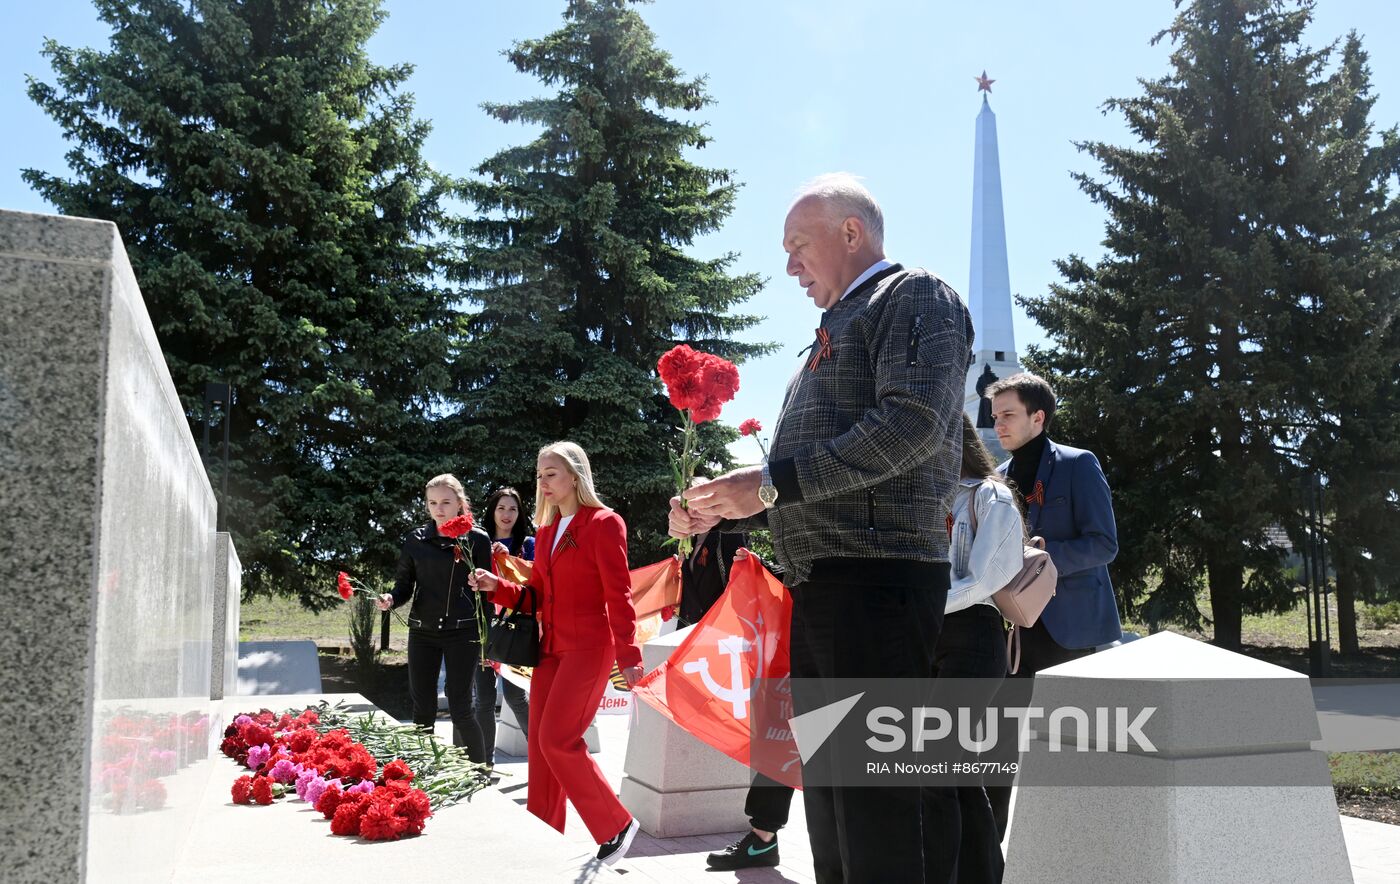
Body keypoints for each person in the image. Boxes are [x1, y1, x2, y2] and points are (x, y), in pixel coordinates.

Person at [670, 173, 973, 883]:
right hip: (828, 589)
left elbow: (912, 425)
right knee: (836, 807)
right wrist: (719, 507)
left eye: (798, 246)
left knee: (882, 809)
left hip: (879, 584)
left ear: (851, 233)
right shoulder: (834, 327)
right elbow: (804, 470)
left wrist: (770, 485)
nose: (789, 267)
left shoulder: (913, 295)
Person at [468, 442, 643, 866]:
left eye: (552, 474)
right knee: (541, 749)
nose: (543, 483)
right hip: (550, 649)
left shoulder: (604, 523)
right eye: (540, 475)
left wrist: (630, 658)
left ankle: (615, 823)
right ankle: (542, 832)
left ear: (576, 476)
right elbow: (537, 596)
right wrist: (498, 586)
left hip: (589, 648)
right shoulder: (546, 533)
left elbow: (619, 596)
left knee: (557, 739)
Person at [982, 371, 1121, 838]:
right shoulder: (995, 480)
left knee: (1069, 753)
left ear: (1037, 417)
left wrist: (1043, 556)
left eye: (1008, 415)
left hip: (1069, 632)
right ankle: (987, 858)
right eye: (995, 415)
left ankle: (1074, 850)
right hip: (1013, 632)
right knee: (997, 746)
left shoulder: (1079, 464)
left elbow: (1104, 544)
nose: (998, 424)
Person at [929, 414, 1024, 884]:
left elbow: (989, 576)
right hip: (926, 638)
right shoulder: (922, 495)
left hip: (974, 636)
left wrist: (928, 607)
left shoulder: (992, 494)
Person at [376, 474, 493, 765]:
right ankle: (421, 770)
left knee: (461, 707)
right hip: (423, 633)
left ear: (459, 503)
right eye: (432, 503)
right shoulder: (416, 539)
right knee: (422, 708)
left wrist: (487, 641)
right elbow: (404, 585)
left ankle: (481, 771)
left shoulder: (477, 539)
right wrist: (391, 599)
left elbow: (487, 595)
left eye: (445, 502)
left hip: (463, 633)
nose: (438, 509)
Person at [474, 486, 534, 762]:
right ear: (492, 511)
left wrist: (510, 560)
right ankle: (484, 763)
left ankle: (544, 754)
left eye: (513, 508)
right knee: (483, 700)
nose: (507, 514)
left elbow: (535, 582)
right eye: (501, 508)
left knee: (514, 696)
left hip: (516, 631)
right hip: (482, 628)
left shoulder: (529, 544)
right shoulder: (477, 542)